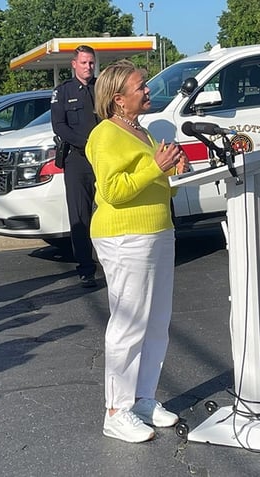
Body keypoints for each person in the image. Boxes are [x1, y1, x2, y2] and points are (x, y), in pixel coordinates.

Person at [85, 60, 186, 443]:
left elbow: (157, 186)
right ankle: (116, 410)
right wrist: (155, 167)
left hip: (158, 231)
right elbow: (113, 191)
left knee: (157, 321)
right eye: (140, 87)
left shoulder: (139, 131)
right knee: (129, 324)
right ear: (118, 99)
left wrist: (173, 170)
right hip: (125, 238)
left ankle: (142, 398)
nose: (148, 91)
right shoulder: (105, 135)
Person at [50, 45, 99, 288]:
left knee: (107, 211)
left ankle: (110, 263)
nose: (88, 67)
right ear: (74, 64)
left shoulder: (102, 88)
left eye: (91, 63)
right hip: (77, 160)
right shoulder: (63, 91)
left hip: (102, 159)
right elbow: (59, 125)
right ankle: (86, 269)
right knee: (80, 215)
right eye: (84, 63)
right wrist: (87, 143)